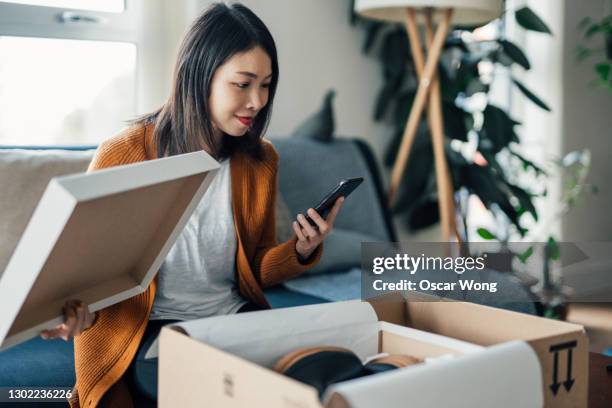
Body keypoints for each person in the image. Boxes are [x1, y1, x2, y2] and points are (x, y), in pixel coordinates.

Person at [39, 3, 343, 407]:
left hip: (231, 317)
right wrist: (75, 313)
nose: (257, 101)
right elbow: (86, 277)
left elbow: (253, 269)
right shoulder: (123, 155)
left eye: (266, 85)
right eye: (243, 83)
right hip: (149, 329)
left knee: (320, 369)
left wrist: (300, 251)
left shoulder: (260, 160)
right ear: (200, 77)